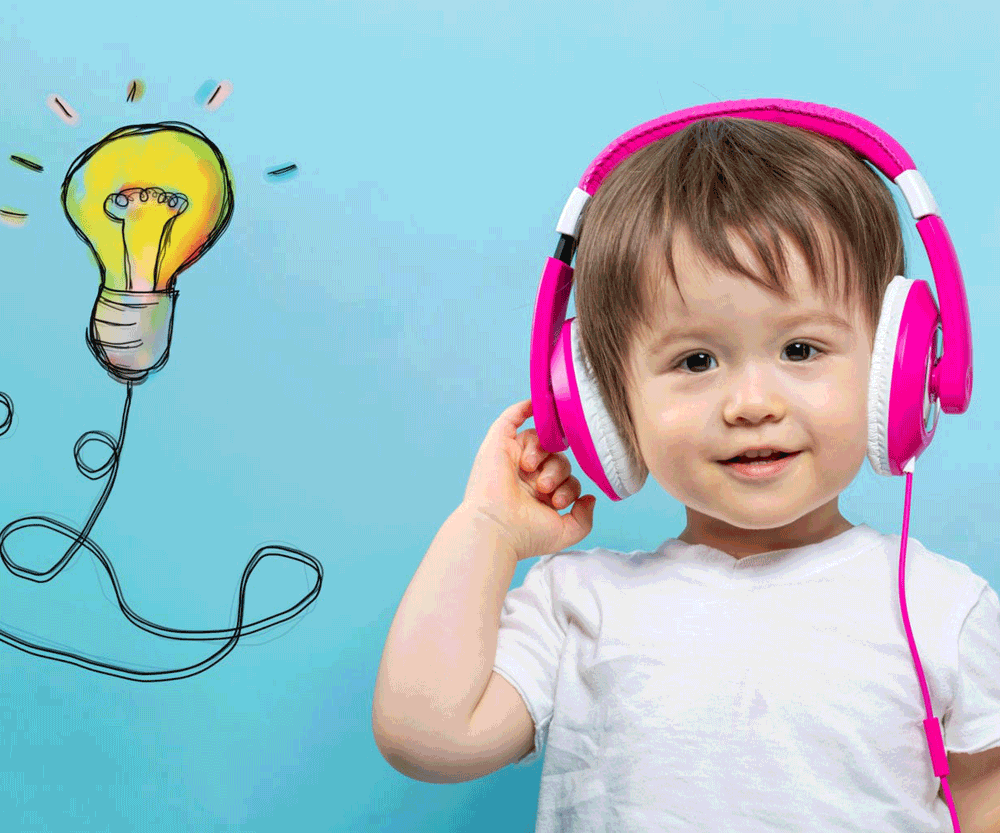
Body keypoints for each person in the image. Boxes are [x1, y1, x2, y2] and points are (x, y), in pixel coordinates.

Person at [372, 113, 1000, 831]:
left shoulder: (943, 611)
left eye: (801, 349)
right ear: (604, 404)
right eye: (695, 360)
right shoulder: (581, 604)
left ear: (905, 363)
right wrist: (485, 528)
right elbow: (425, 736)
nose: (752, 404)